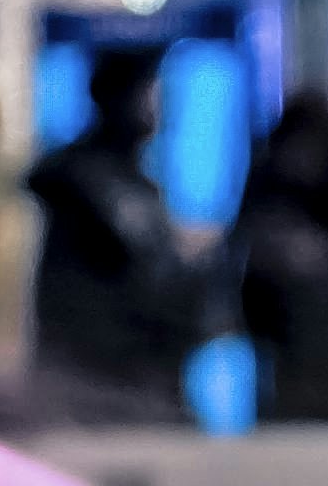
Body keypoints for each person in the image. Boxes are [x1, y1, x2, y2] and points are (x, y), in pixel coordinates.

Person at [27, 45, 212, 412]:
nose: (159, 113)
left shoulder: (133, 180)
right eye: (150, 97)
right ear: (119, 100)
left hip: (136, 371)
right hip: (100, 376)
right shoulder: (86, 178)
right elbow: (142, 258)